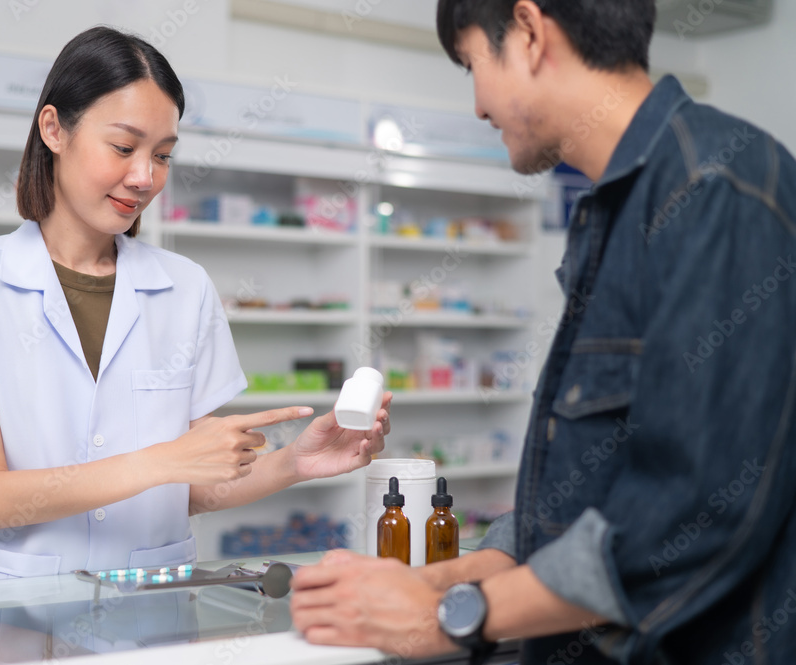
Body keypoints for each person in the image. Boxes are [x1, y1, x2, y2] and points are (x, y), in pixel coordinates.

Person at [290, 1, 796, 663]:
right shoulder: (612, 211)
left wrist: (452, 614)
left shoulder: (716, 188)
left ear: (529, 33)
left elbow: (693, 514)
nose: (476, 105)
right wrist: (444, 575)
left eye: (473, 64)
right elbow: (591, 479)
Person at [0, 26, 390, 584]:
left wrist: (293, 463)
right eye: (123, 147)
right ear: (54, 129)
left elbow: (195, 487)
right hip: (14, 611)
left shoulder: (186, 289)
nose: (144, 177)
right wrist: (161, 460)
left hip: (150, 604)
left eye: (162, 155)